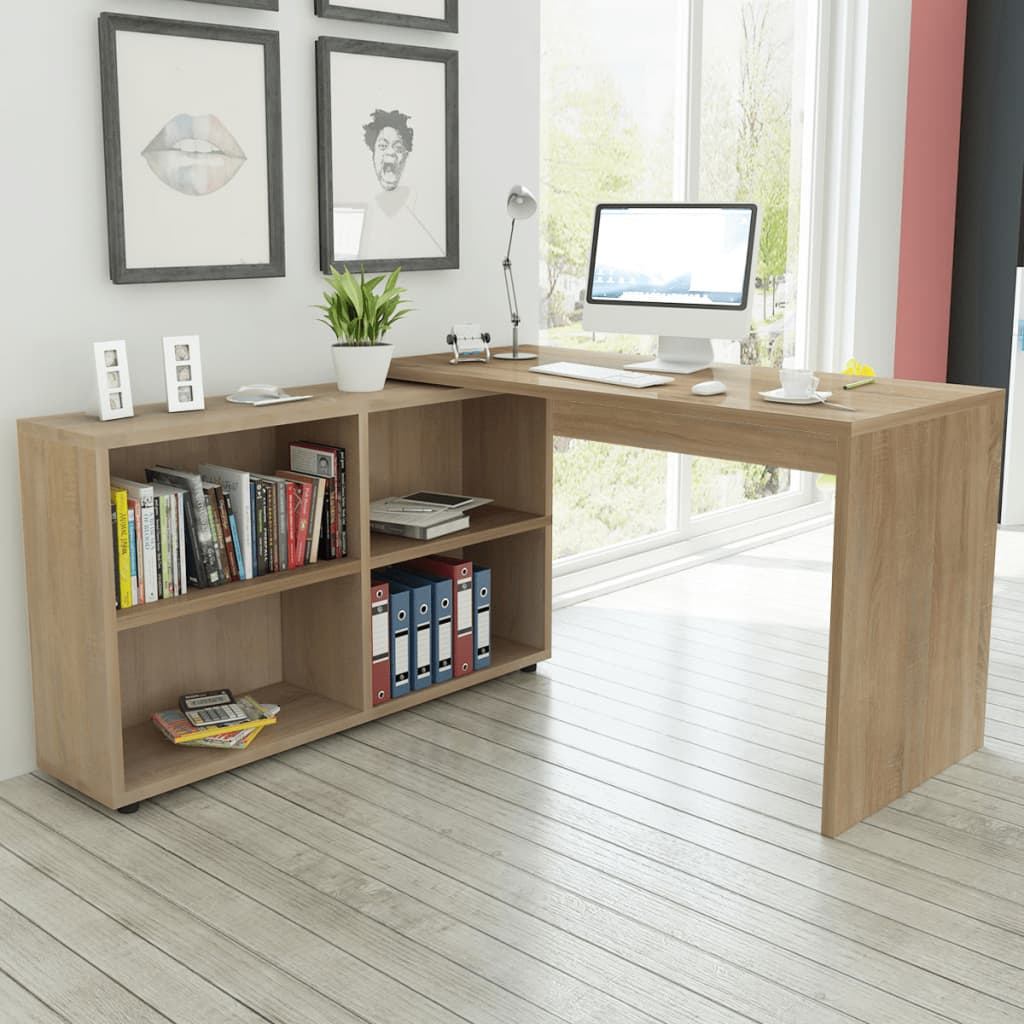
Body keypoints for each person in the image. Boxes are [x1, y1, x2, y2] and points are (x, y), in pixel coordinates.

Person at [357, 108, 443, 258]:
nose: (390, 152)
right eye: (383, 146)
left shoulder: (419, 206)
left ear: (406, 156)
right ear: (373, 153)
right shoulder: (365, 207)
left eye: (398, 147)